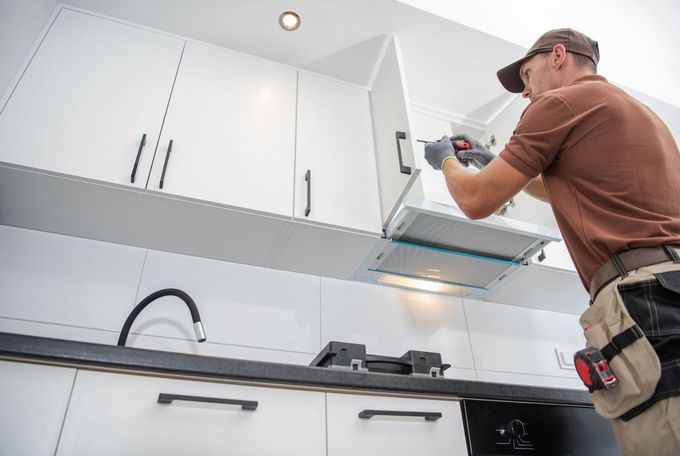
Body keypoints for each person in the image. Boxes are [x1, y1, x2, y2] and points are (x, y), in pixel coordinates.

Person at [424, 28, 680, 455]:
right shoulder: (643, 115)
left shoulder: (558, 103)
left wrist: (446, 160)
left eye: (527, 74)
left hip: (643, 298)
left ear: (558, 56)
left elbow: (474, 200)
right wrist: (499, 165)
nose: (526, 92)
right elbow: (573, 186)